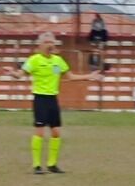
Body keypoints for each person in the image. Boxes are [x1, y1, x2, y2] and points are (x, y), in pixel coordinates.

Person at [8, 32, 101, 175]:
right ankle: (37, 165)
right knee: (39, 132)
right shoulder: (34, 60)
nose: (50, 45)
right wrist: (12, 73)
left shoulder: (58, 61)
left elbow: (69, 76)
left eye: (52, 42)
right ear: (40, 45)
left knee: (56, 132)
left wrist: (89, 76)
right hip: (40, 98)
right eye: (47, 42)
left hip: (53, 99)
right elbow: (20, 75)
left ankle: (52, 164)